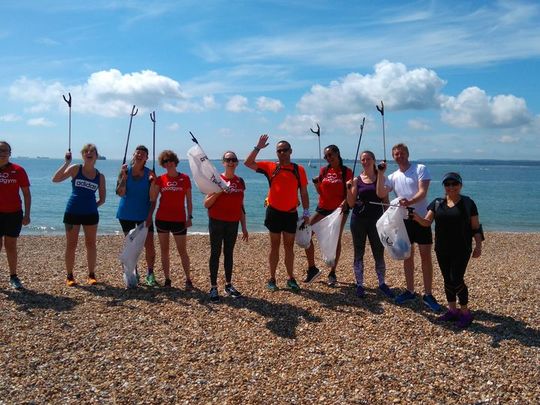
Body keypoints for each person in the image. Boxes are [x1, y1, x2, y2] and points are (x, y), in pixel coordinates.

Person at [411, 172, 483, 328]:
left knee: (457, 279)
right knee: (447, 280)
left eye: (454, 184)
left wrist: (478, 245)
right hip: (442, 248)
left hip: (462, 248)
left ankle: (465, 313)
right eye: (447, 184)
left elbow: (476, 227)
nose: (451, 187)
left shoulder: (468, 203)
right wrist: (415, 216)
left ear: (460, 185)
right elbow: (426, 222)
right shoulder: (437, 203)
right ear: (444, 186)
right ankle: (452, 311)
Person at [244, 134, 309, 292]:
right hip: (273, 212)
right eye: (279, 151)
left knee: (289, 247)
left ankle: (290, 278)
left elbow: (304, 192)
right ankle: (272, 278)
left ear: (290, 151)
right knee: (274, 246)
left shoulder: (298, 169)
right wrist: (258, 147)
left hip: (290, 213)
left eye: (285, 150)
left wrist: (306, 212)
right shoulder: (270, 167)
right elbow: (247, 163)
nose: (282, 153)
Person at [382, 143, 441, 311]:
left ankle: (428, 294)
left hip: (421, 219)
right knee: (407, 256)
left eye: (401, 153)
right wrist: (380, 174)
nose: (399, 156)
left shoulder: (420, 168)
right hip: (403, 221)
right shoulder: (392, 176)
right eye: (396, 154)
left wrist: (409, 202)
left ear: (407, 154)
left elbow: (423, 192)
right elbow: (381, 193)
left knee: (425, 258)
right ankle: (410, 290)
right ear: (393, 157)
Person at [52, 144, 106, 286]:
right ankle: (70, 276)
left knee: (91, 244)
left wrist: (92, 206)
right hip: (72, 212)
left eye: (92, 151)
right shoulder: (76, 169)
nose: (89, 153)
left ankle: (91, 275)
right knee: (71, 245)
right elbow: (55, 179)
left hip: (91, 215)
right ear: (82, 155)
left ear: (96, 155)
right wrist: (66, 163)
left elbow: (102, 199)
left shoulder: (100, 176)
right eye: (86, 151)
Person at [346, 151, 394, 298]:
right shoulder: (356, 180)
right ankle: (360, 284)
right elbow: (351, 203)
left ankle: (382, 283)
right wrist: (348, 189)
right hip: (358, 220)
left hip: (377, 221)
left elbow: (385, 201)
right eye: (363, 159)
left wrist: (390, 220)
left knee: (378, 252)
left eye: (368, 159)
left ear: (374, 160)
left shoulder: (381, 177)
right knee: (358, 252)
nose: (365, 161)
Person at [304, 145, 352, 286]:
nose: (328, 158)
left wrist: (345, 202)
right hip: (322, 208)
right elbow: (321, 192)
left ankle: (332, 272)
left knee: (335, 239)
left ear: (337, 153)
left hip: (339, 210)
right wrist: (315, 184)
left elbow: (350, 192)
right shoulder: (324, 170)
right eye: (326, 156)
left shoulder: (346, 171)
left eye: (330, 155)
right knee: (306, 234)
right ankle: (312, 268)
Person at [204, 151, 249, 302]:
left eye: (233, 160)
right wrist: (219, 192)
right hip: (216, 221)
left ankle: (228, 285)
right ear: (223, 162)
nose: (231, 162)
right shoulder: (216, 180)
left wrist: (244, 226)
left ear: (237, 163)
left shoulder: (240, 181)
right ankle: (213, 287)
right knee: (215, 253)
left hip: (233, 223)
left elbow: (241, 206)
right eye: (228, 159)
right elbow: (206, 204)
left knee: (229, 253)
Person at [149, 150, 193, 289]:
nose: (169, 163)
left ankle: (188, 279)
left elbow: (189, 200)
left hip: (179, 220)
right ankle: (167, 279)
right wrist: (153, 182)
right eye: (165, 161)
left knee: (182, 251)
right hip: (162, 219)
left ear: (175, 161)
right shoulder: (161, 179)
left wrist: (189, 216)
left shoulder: (185, 178)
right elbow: (152, 198)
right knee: (164, 250)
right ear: (163, 164)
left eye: (170, 160)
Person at [116, 145, 157, 287]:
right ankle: (134, 272)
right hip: (126, 214)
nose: (139, 155)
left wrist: (150, 215)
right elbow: (120, 193)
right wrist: (124, 178)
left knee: (149, 245)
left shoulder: (150, 174)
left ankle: (150, 274)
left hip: (143, 215)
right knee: (131, 245)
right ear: (133, 155)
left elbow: (153, 199)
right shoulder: (124, 171)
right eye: (137, 153)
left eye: (143, 154)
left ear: (146, 158)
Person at [0, 141, 31, 290]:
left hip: (14, 214)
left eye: (5, 150)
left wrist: (27, 214)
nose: (2, 153)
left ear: (9, 153)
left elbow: (26, 193)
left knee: (10, 245)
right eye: (0, 150)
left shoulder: (18, 170)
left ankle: (13, 276)